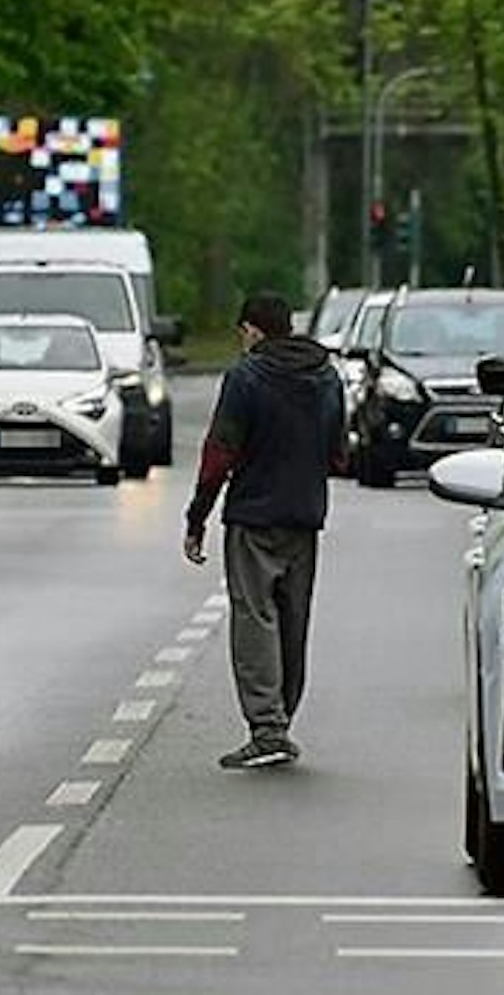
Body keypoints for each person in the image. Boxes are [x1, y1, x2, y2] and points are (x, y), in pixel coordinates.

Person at [184, 292, 345, 770]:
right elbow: (338, 452)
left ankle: (267, 729)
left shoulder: (246, 378)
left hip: (254, 516)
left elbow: (220, 452)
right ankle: (283, 719)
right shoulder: (326, 377)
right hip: (306, 515)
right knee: (294, 618)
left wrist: (198, 516)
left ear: (253, 330)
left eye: (242, 333)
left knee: (255, 618)